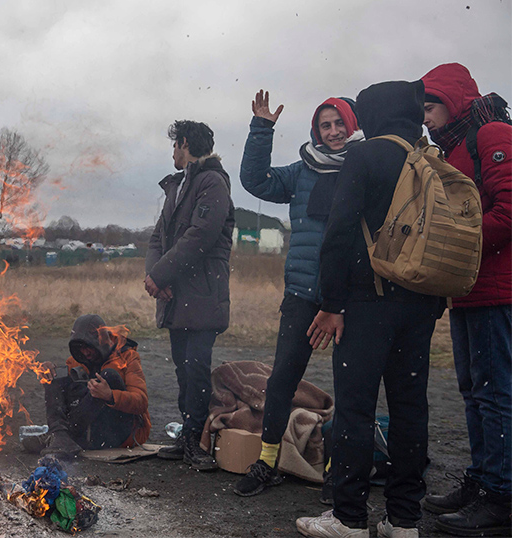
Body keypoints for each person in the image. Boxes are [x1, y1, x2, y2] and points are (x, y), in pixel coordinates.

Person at [295, 80, 442, 538]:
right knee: (409, 409)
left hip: (365, 305)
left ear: (373, 113)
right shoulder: (429, 159)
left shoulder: (366, 155)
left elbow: (339, 234)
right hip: (420, 305)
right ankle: (404, 519)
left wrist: (331, 304)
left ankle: (350, 518)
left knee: (357, 410)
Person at [235, 91, 362, 498]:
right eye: (325, 125)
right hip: (303, 291)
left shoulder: (368, 166)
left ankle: (343, 469)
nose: (334, 131)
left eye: (339, 122)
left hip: (354, 296)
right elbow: (256, 181)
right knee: (282, 379)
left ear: (353, 124)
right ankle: (268, 461)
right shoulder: (302, 170)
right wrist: (261, 129)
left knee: (354, 385)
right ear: (316, 131)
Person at [420, 63, 511, 537]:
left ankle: (501, 496)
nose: (426, 118)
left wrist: (456, 246)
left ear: (451, 101)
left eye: (430, 106)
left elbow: (509, 211)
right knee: (475, 393)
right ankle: (481, 482)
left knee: (496, 394)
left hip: (499, 291)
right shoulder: (453, 148)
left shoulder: (491, 134)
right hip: (469, 291)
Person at [145, 120, 235, 471]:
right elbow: (158, 238)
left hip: (203, 296)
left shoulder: (213, 182)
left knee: (197, 369)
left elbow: (201, 236)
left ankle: (198, 441)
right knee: (184, 370)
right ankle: (187, 437)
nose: (172, 153)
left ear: (184, 143)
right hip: (177, 296)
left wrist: (161, 274)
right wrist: (156, 278)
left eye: (174, 146)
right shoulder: (179, 186)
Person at [28, 314, 151, 457]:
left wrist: (110, 396)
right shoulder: (77, 360)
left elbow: (141, 402)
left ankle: (63, 437)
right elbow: (60, 396)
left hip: (118, 431)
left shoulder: (128, 357)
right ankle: (59, 435)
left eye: (89, 347)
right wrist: (49, 374)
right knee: (57, 376)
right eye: (80, 348)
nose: (85, 353)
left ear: (100, 341)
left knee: (109, 376)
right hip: (88, 430)